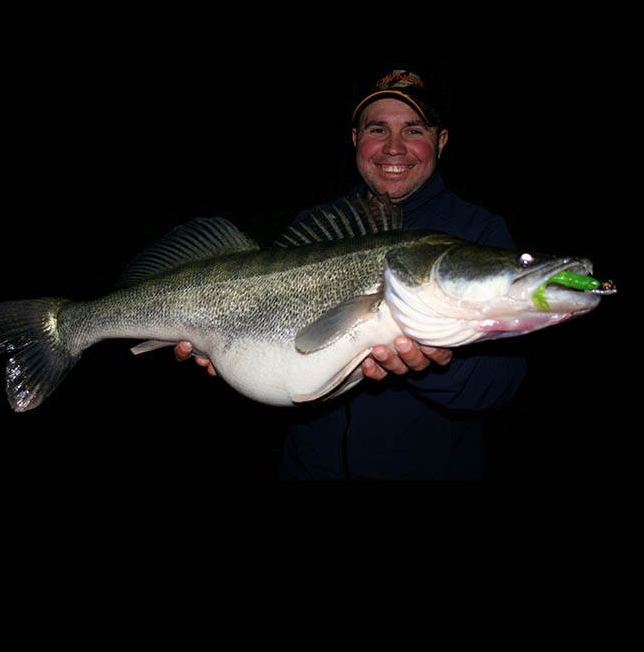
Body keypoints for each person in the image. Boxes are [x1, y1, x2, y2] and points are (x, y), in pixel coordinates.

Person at [176, 70, 526, 479]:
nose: (394, 148)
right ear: (356, 139)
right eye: (378, 129)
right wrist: (225, 343)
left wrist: (434, 364)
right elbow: (272, 332)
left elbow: (498, 387)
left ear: (441, 142)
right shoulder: (317, 225)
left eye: (413, 130)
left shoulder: (478, 235)